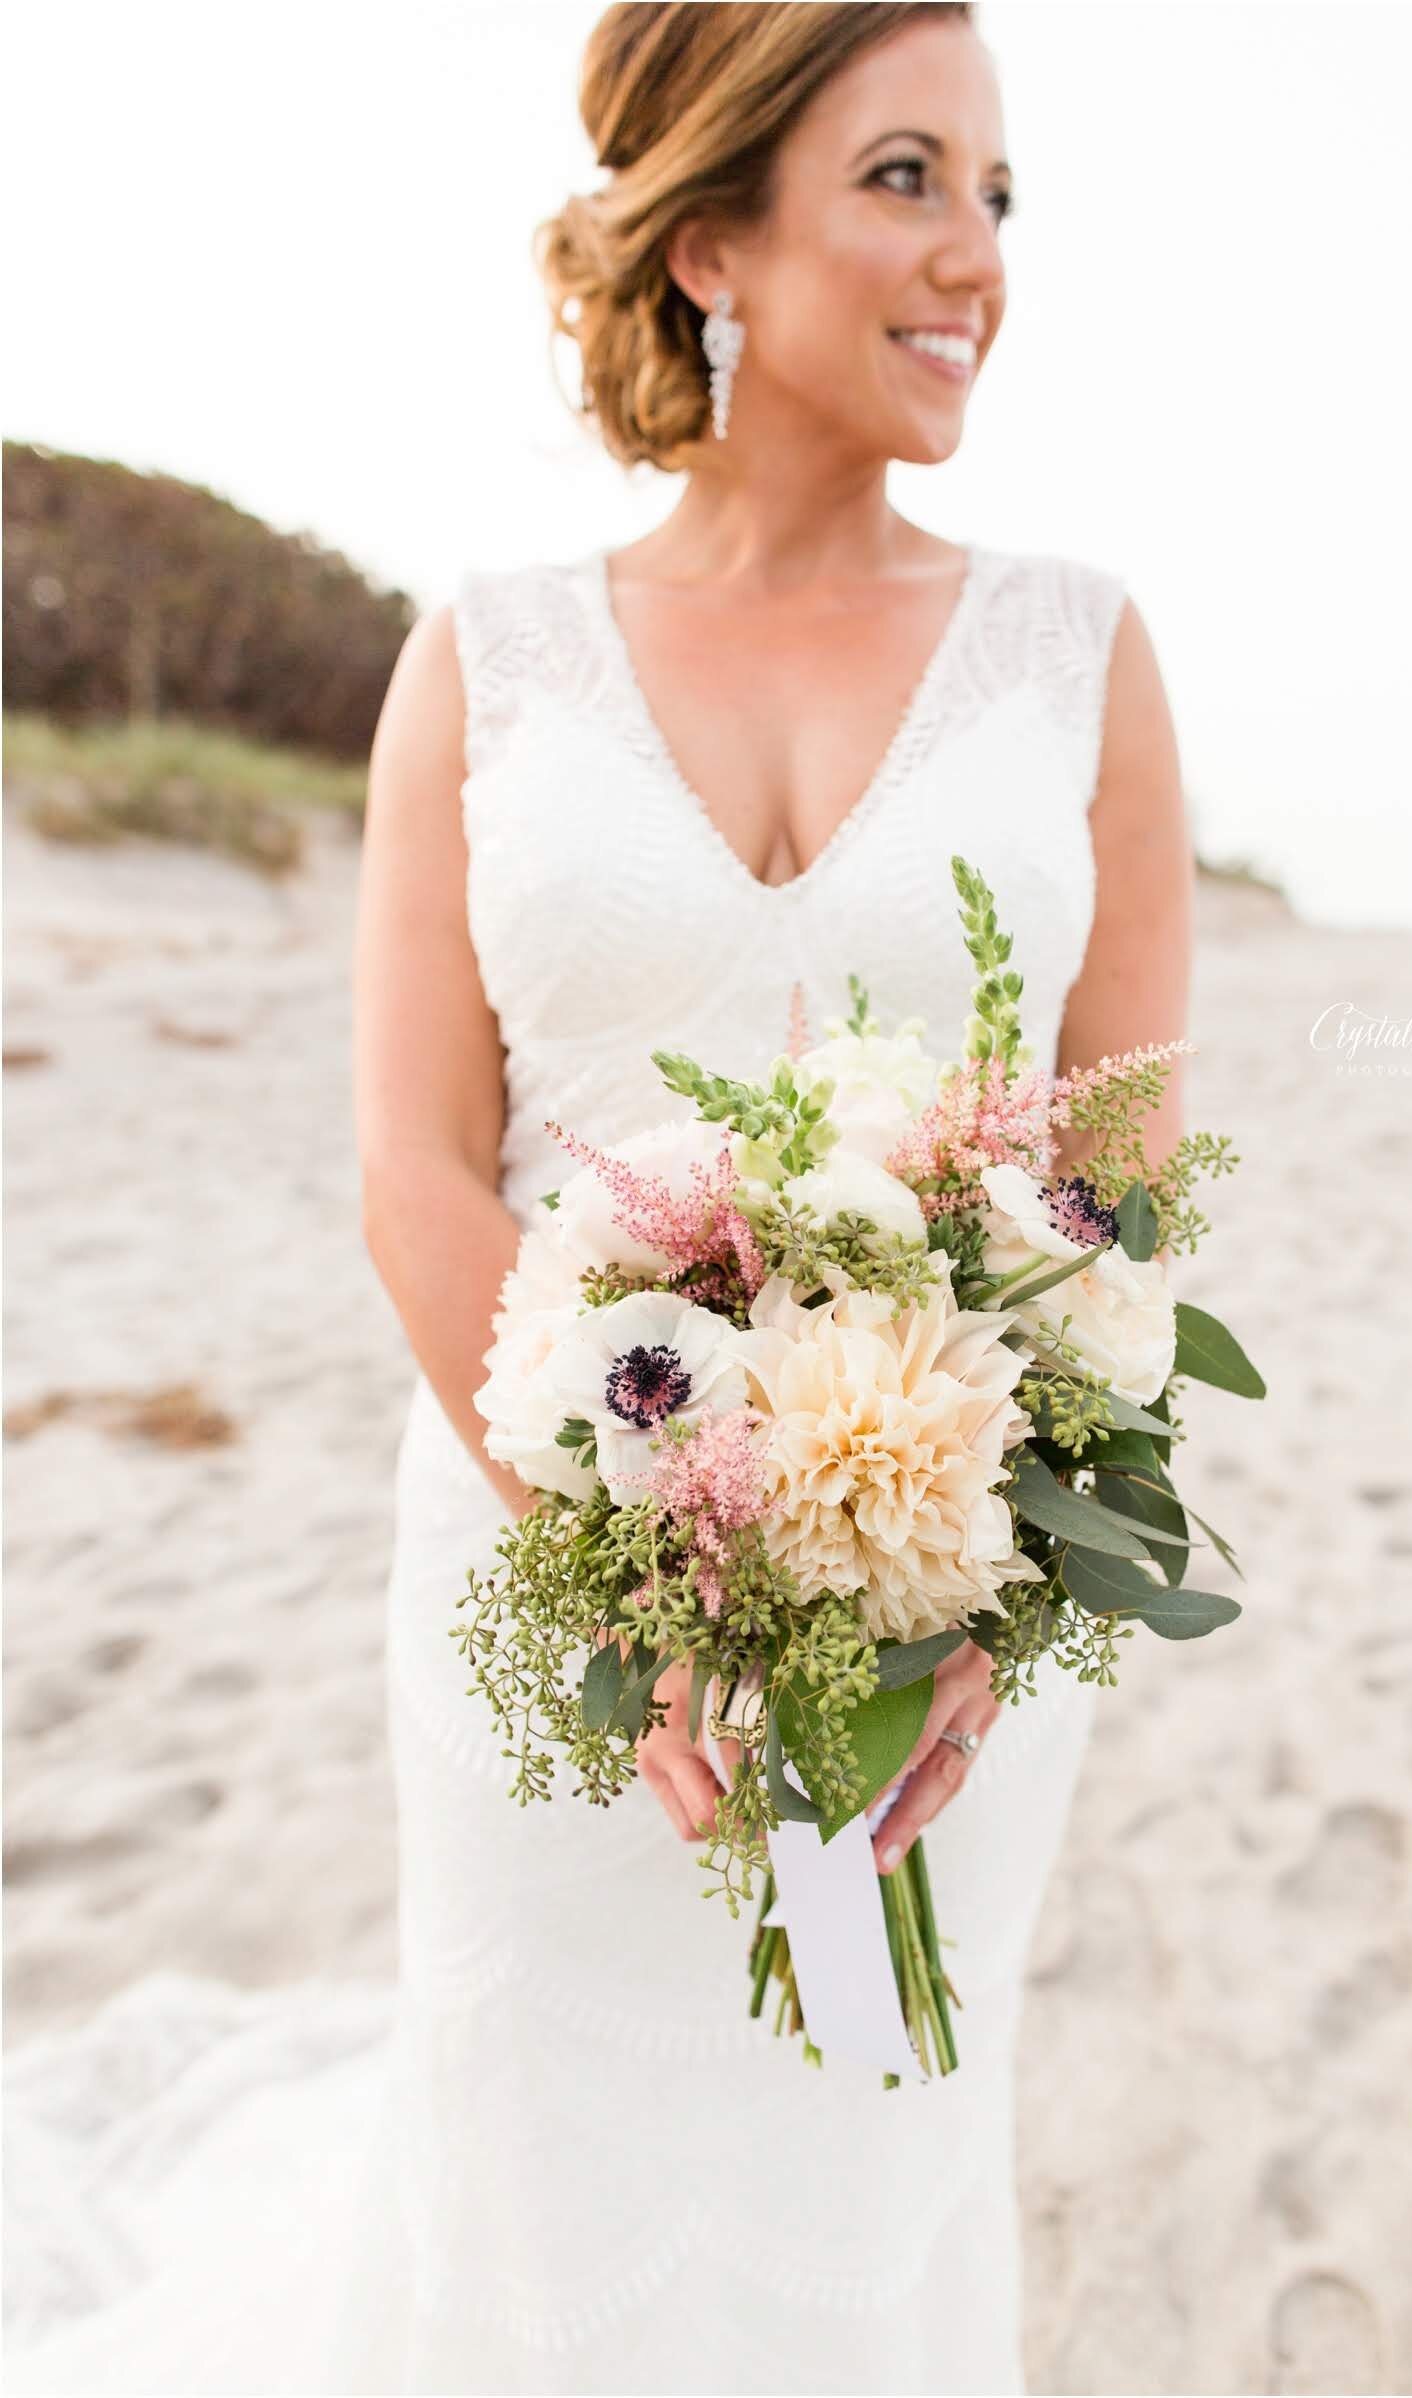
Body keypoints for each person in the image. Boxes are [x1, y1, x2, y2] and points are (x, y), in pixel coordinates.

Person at [5, 6, 1191, 2392]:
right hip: (537, 1578)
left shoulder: (1077, 652)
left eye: (997, 193)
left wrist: (971, 1578)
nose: (974, 255)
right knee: (548, 2194)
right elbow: (418, 1164)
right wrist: (635, 1571)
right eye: (903, 179)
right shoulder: (491, 657)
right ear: (715, 235)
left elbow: (1116, 1170)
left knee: (867, 2177)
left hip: (938, 1618)